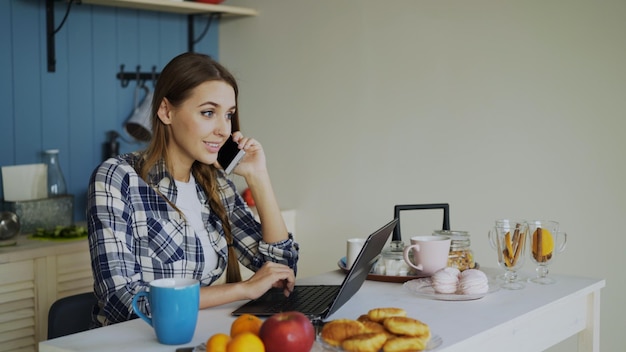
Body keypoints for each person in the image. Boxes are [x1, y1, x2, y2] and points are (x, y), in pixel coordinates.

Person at [86, 52, 299, 327]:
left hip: (198, 334)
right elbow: (122, 301)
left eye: (229, 115)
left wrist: (258, 176)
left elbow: (282, 273)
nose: (223, 129)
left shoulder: (216, 184)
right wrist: (241, 290)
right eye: (208, 112)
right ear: (166, 111)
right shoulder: (118, 178)